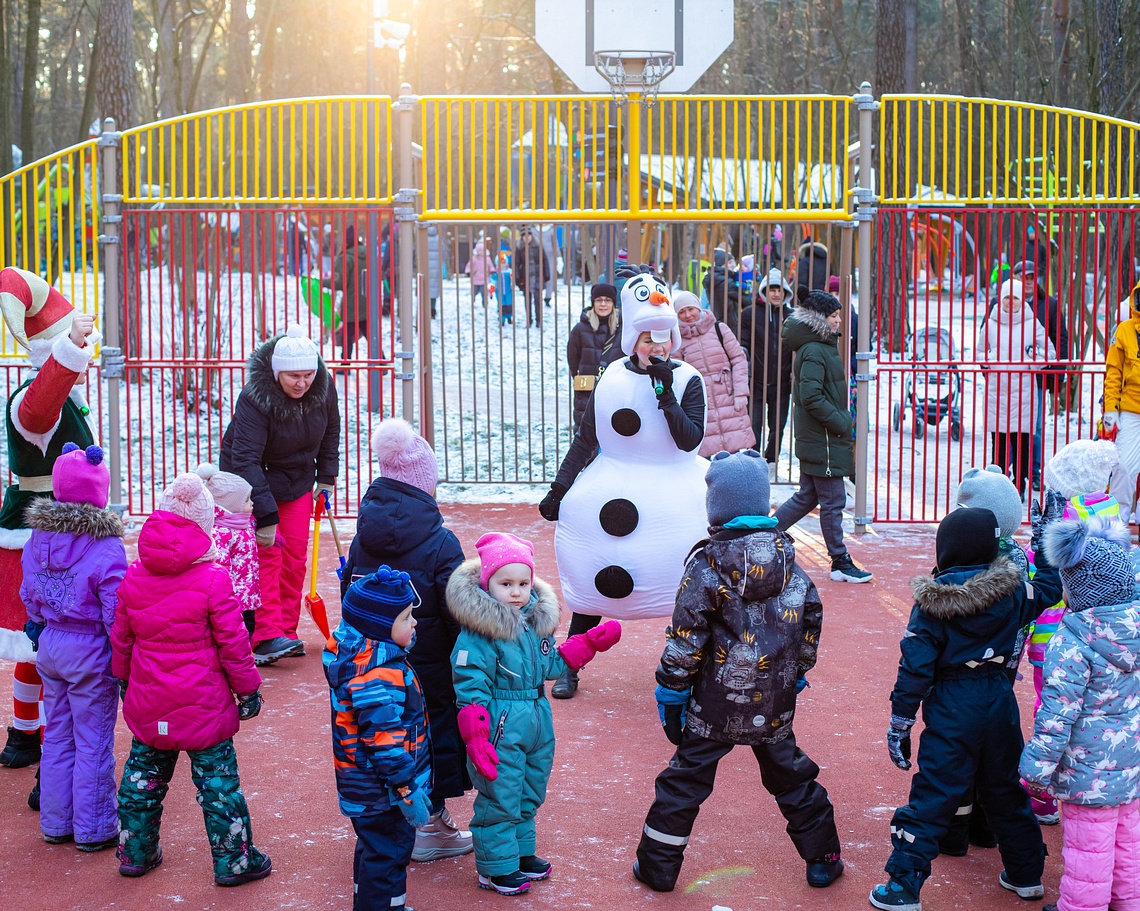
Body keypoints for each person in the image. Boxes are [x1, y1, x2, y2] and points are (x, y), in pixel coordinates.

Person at [634, 449, 844, 893]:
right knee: (791, 776)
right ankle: (823, 856)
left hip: (713, 704)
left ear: (716, 508)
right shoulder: (790, 562)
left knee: (684, 783)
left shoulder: (706, 566)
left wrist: (671, 690)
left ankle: (658, 868)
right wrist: (796, 671)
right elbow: (811, 620)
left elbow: (686, 636)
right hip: (773, 701)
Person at [868, 504, 1063, 911]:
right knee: (1006, 788)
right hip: (998, 699)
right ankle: (1027, 876)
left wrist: (900, 721)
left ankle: (904, 887)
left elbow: (915, 666)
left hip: (954, 704)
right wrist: (1046, 539)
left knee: (935, 791)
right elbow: (1048, 585)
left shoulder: (932, 605)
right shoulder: (1014, 591)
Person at [113, 473, 269, 884]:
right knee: (218, 788)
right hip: (205, 707)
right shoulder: (214, 579)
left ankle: (135, 851)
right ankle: (235, 861)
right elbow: (234, 643)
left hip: (150, 702)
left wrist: (123, 680)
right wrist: (248, 689)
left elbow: (122, 639)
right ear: (204, 525)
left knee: (141, 782)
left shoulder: (133, 577)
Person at [447, 532, 621, 895]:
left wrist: (585, 644)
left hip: (537, 720)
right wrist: (477, 734)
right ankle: (495, 868)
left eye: (523, 583)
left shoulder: (531, 624)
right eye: (505, 583)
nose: (516, 592)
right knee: (501, 795)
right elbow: (470, 683)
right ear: (486, 584)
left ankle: (520, 854)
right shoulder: (479, 634)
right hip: (501, 723)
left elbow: (549, 665)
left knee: (529, 791)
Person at [539, 272, 708, 641]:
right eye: (648, 339)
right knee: (592, 579)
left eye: (663, 338)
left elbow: (689, 441)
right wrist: (560, 488)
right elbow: (586, 438)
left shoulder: (688, 379)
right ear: (634, 340)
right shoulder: (613, 376)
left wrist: (665, 394)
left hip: (674, 496)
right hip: (611, 482)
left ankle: (685, 667)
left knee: (687, 586)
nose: (657, 347)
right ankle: (572, 659)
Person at [342, 418, 473, 863]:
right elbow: (458, 608)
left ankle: (393, 819)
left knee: (382, 735)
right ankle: (430, 822)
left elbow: (352, 598)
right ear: (425, 484)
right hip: (429, 662)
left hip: (372, 660)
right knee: (431, 735)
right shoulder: (440, 541)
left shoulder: (363, 536)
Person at [0, 268, 101, 788]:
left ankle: (26, 734)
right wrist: (69, 347)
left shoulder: (63, 394)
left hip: (65, 522)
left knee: (43, 646)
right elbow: (41, 409)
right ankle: (35, 741)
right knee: (45, 642)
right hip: (44, 528)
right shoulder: (32, 399)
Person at [1021, 516, 1140, 911]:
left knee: (1089, 855)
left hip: (1086, 775)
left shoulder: (1072, 642)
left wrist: (1035, 770)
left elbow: (1056, 716)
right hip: (1132, 768)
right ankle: (1128, 903)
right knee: (1127, 846)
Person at [21, 442, 125, 850]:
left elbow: (28, 592)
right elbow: (115, 606)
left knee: (58, 735)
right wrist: (121, 650)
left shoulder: (38, 538)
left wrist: (41, 621)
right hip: (90, 648)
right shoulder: (106, 546)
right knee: (94, 739)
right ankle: (94, 827)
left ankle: (56, 821)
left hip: (51, 643)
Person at [220, 324, 340, 665]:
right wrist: (266, 516)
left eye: (307, 374)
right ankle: (265, 635)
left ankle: (286, 631)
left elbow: (331, 431)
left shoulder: (322, 388)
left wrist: (326, 477)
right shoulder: (255, 398)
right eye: (292, 376)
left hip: (297, 480)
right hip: (253, 481)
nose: (301, 383)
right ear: (276, 374)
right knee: (268, 555)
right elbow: (244, 459)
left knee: (295, 557)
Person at [324, 566, 433, 911]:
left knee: (374, 851)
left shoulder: (364, 659)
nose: (413, 623)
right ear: (380, 628)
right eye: (405, 618)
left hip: (366, 788)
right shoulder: (378, 675)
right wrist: (407, 789)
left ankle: (375, 904)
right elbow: (384, 742)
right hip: (383, 792)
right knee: (390, 854)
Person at [775, 288, 871, 583]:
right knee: (832, 499)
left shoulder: (818, 344)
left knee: (808, 496)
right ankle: (839, 560)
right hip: (824, 437)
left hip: (821, 436)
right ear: (819, 319)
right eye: (834, 315)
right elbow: (811, 396)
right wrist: (841, 421)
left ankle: (766, 533)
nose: (839, 320)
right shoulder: (815, 349)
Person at [977, 278, 1055, 500]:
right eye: (1007, 298)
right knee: (999, 443)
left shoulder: (1032, 323)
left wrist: (1032, 359)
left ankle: (1018, 486)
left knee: (1021, 441)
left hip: (1024, 392)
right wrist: (990, 360)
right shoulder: (991, 323)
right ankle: (999, 487)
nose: (1011, 302)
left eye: (1015, 298)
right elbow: (980, 352)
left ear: (1022, 300)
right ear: (1001, 299)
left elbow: (1049, 352)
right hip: (997, 392)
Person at [673, 290, 755, 457]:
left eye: (691, 309)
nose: (688, 315)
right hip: (701, 402)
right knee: (710, 458)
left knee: (737, 452)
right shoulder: (678, 340)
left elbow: (739, 359)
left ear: (699, 308)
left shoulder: (719, 329)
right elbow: (678, 373)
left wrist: (741, 393)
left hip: (729, 397)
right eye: (682, 312)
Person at [1012, 259, 1070, 489]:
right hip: (1008, 377)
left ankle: (1034, 472)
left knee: (1034, 427)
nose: (1027, 282)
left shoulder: (1050, 305)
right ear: (1014, 278)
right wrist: (989, 371)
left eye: (1030, 277)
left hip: (1036, 376)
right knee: (1006, 426)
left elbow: (1060, 338)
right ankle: (1003, 470)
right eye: (1022, 277)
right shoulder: (1002, 303)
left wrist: (1057, 372)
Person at [738, 268, 794, 468]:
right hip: (757, 380)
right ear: (764, 291)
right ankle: (753, 462)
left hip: (782, 382)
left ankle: (771, 461)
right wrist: (746, 364)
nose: (776, 294)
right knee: (754, 424)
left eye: (780, 289)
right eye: (772, 289)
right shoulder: (750, 314)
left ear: (786, 291)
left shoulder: (792, 316)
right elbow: (742, 343)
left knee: (777, 425)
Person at [196, 463, 260, 637]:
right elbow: (221, 567)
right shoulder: (220, 533)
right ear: (230, 506)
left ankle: (243, 661)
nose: (252, 503)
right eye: (247, 500)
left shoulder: (243, 524)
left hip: (246, 596)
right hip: (229, 601)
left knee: (247, 634)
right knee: (233, 637)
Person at [1102, 279, 1140, 524]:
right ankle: (1116, 523)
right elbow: (1113, 373)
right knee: (1124, 467)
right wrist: (1110, 412)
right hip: (1130, 410)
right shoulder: (1124, 330)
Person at [566, 282, 622, 433]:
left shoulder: (623, 329)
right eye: (599, 300)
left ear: (613, 303)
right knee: (585, 436)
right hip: (586, 392)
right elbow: (573, 359)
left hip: (616, 391)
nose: (603, 304)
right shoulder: (580, 329)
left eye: (607, 300)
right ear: (593, 303)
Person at [326, 223, 371, 361]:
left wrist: (320, 282)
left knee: (348, 332)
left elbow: (338, 283)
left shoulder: (346, 258)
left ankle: (345, 362)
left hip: (352, 302)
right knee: (368, 332)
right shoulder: (369, 255)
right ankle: (380, 360)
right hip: (368, 300)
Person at [513, 228, 546, 328]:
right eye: (524, 236)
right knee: (527, 300)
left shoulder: (538, 246)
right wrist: (517, 278)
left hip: (537, 276)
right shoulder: (519, 248)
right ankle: (529, 320)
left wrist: (546, 275)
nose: (527, 238)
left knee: (537, 299)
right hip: (525, 277)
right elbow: (516, 264)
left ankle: (538, 320)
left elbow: (544, 261)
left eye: (528, 235)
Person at [464, 237, 495, 308]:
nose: (481, 252)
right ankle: (472, 301)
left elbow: (490, 266)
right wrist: (468, 272)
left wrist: (492, 270)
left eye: (482, 251)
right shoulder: (474, 258)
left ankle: (485, 303)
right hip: (475, 279)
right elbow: (469, 266)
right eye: (479, 251)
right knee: (474, 292)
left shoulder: (487, 259)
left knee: (484, 293)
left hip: (484, 279)